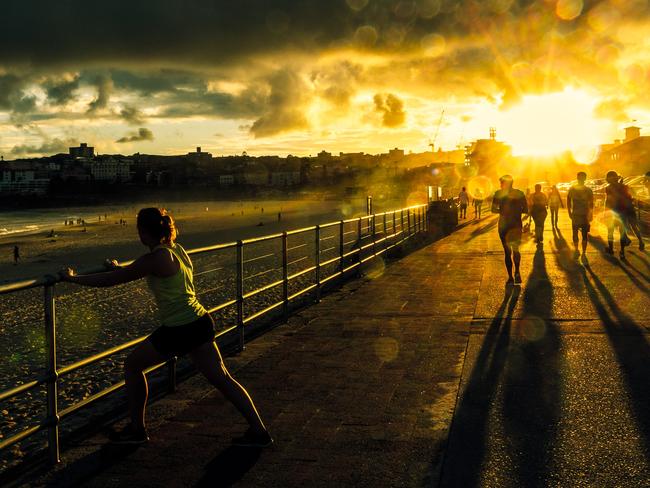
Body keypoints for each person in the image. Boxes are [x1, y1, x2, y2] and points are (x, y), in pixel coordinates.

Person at [59, 208, 272, 447]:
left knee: (132, 366)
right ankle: (259, 431)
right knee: (223, 378)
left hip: (180, 328)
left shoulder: (156, 258)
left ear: (143, 231)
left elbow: (112, 281)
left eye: (138, 229)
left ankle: (137, 429)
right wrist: (117, 267)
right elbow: (132, 272)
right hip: (199, 320)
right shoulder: (176, 250)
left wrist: (73, 278)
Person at [491, 175, 528, 285]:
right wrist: (516, 211)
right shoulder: (519, 193)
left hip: (503, 225)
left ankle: (510, 277)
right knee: (516, 249)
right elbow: (525, 209)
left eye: (501, 183)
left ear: (503, 183)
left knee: (507, 252)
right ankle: (517, 272)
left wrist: (502, 211)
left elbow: (493, 209)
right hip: (516, 224)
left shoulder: (498, 194)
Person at [605, 170, 632, 257]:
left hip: (612, 211)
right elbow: (628, 199)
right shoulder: (624, 187)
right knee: (622, 232)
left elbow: (608, 201)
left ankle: (611, 249)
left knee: (610, 231)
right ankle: (622, 252)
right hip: (622, 211)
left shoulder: (608, 188)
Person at [567, 172, 594, 257]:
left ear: (585, 178)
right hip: (576, 214)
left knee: (584, 234)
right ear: (577, 178)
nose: (581, 179)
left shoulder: (588, 190)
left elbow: (591, 203)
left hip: (583, 215)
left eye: (582, 177)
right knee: (576, 233)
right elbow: (568, 201)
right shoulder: (573, 189)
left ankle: (583, 251)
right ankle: (577, 249)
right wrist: (569, 212)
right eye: (580, 177)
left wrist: (590, 214)